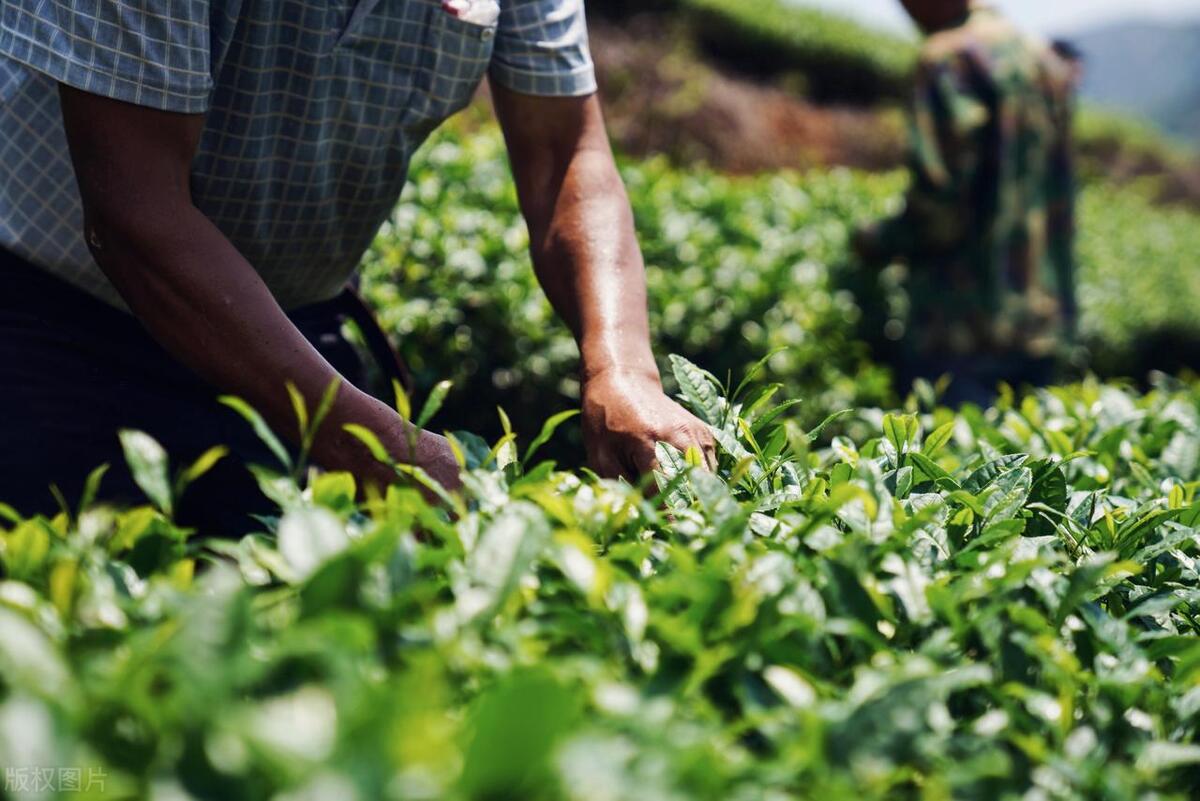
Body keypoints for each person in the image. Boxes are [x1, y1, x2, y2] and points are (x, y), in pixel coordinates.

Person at [0, 0, 715, 530]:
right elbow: (135, 210)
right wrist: (369, 440)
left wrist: (621, 367)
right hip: (48, 326)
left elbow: (564, 151)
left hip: (290, 336)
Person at [854, 0, 1078, 406]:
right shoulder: (1043, 58)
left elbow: (939, 208)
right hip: (1040, 319)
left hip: (962, 326)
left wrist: (874, 241)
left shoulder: (948, 57)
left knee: (948, 466)